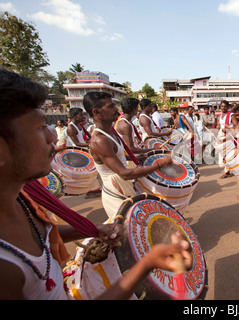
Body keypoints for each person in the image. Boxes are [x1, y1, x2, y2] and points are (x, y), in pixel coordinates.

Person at [0, 68, 192, 300]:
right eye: (40, 127)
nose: (53, 137)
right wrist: (146, 265)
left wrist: (91, 229)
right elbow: (125, 172)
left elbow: (43, 233)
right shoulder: (5, 269)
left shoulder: (23, 201)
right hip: (117, 191)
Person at [84, 92, 173, 218]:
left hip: (123, 185)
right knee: (128, 231)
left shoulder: (110, 133)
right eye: (110, 106)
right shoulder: (100, 140)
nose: (116, 109)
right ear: (97, 112)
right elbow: (124, 174)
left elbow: (115, 156)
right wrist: (160, 164)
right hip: (116, 189)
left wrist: (135, 157)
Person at [115, 97, 153, 168]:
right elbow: (131, 149)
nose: (138, 110)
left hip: (129, 154)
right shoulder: (125, 125)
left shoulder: (126, 122)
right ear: (133, 109)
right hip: (128, 157)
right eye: (137, 108)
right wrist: (152, 150)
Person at [218, 100, 239, 179]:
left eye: (225, 106)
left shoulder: (231, 115)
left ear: (228, 107)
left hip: (230, 136)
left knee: (230, 154)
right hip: (222, 136)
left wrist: (228, 130)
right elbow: (220, 126)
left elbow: (236, 127)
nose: (223, 108)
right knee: (224, 154)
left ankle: (229, 171)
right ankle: (227, 171)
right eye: (222, 106)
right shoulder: (220, 116)